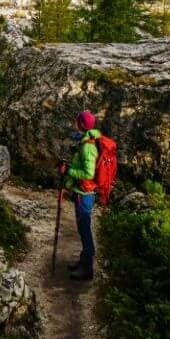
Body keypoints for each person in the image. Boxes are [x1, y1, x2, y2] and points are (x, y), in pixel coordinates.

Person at [63, 110, 102, 282]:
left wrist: (68, 171)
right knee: (82, 229)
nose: (74, 123)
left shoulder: (88, 147)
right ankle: (83, 262)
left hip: (85, 194)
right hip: (82, 193)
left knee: (85, 230)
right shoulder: (85, 142)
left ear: (82, 125)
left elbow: (88, 173)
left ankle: (87, 270)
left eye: (77, 121)